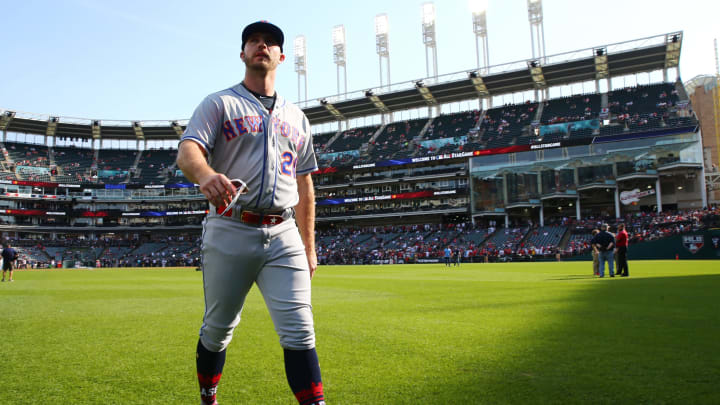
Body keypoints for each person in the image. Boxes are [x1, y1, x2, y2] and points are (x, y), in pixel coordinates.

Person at [176, 21, 324, 405]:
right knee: (218, 329)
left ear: (281, 57)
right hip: (230, 226)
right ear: (242, 53)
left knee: (300, 331)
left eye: (270, 42)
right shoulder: (219, 103)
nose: (262, 45)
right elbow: (188, 150)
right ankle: (209, 396)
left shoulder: (297, 117)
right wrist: (206, 174)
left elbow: (305, 184)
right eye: (254, 41)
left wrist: (309, 246)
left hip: (284, 232)